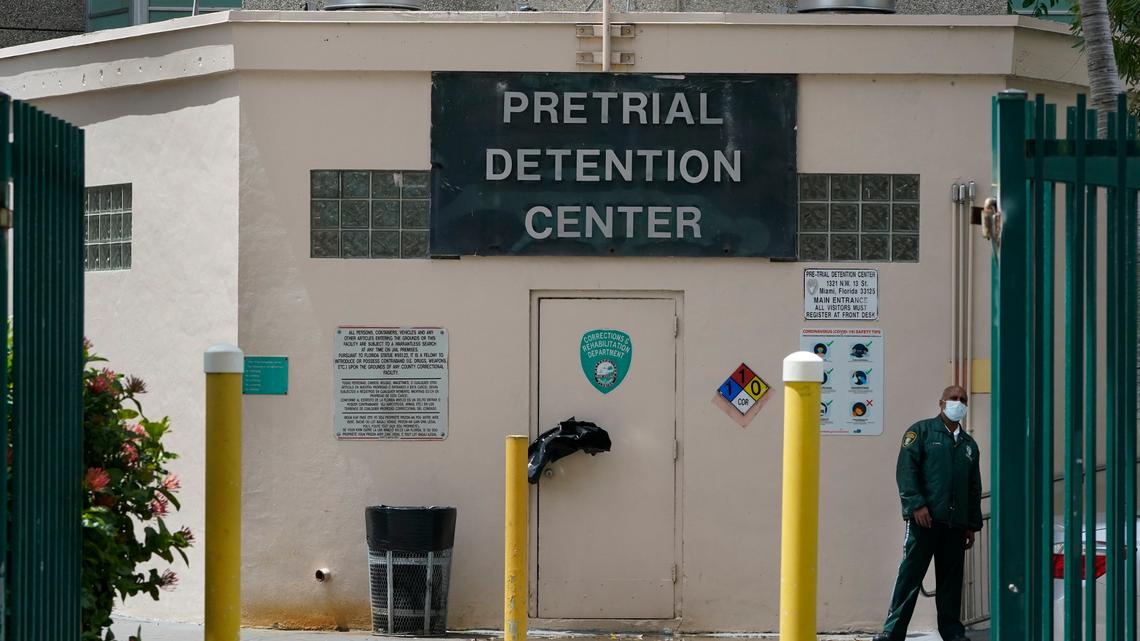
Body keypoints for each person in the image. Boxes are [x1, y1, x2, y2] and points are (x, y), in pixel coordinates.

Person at [873, 385, 982, 641]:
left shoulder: (969, 445)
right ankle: (893, 632)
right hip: (925, 521)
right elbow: (906, 470)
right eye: (953, 398)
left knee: (951, 583)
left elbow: (973, 486)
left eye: (962, 400)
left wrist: (971, 524)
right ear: (941, 402)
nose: (958, 403)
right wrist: (916, 505)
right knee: (910, 576)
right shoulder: (920, 432)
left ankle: (952, 632)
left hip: (955, 524)